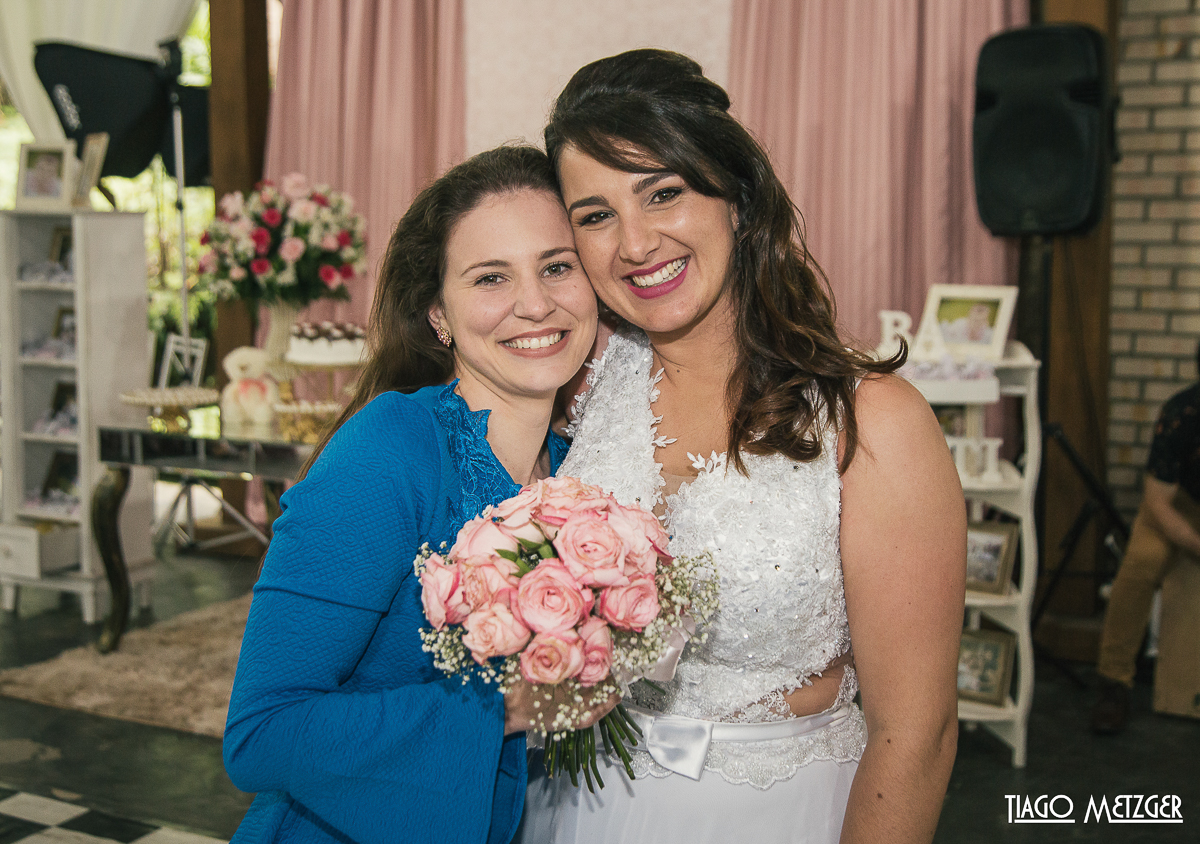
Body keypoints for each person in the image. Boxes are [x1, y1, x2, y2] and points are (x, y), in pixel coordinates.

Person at [517, 50, 965, 844]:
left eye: (664, 193)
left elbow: (915, 734)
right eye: (595, 215)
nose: (635, 243)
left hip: (777, 812)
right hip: (575, 805)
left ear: (737, 197)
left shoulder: (870, 423)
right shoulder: (578, 384)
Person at [223, 146, 613, 843]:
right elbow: (262, 733)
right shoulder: (386, 455)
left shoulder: (582, 471)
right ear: (438, 315)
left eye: (557, 266)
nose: (536, 303)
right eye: (491, 277)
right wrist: (506, 708)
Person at [1092, 340, 1200, 734]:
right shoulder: (1182, 413)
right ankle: (1113, 681)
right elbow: (1158, 503)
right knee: (1140, 567)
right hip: (1176, 506)